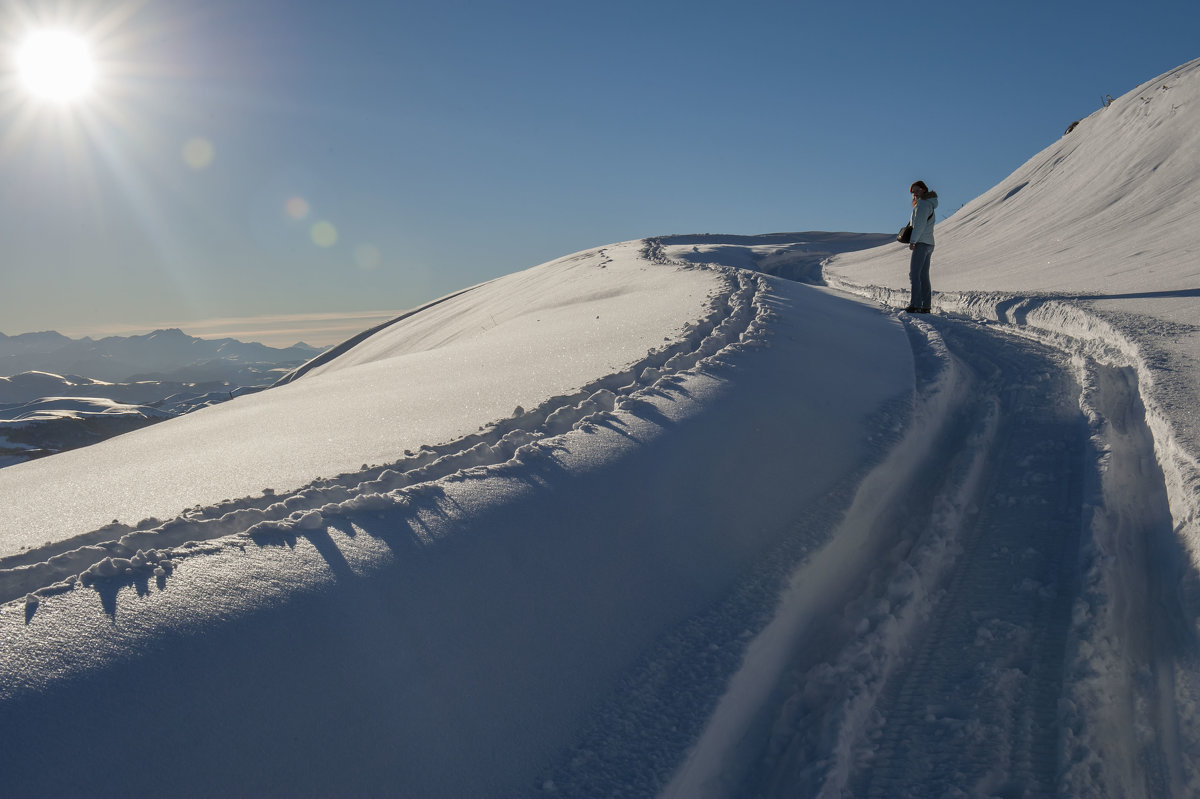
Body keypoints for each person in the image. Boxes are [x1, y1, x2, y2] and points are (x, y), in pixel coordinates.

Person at [905, 181, 938, 313]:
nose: (915, 193)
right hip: (929, 243)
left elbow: (919, 225)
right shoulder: (929, 204)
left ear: (924, 190)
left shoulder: (923, 205)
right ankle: (925, 306)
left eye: (917, 190)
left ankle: (915, 304)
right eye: (913, 191)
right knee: (923, 275)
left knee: (914, 275)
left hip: (922, 243)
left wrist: (913, 241)